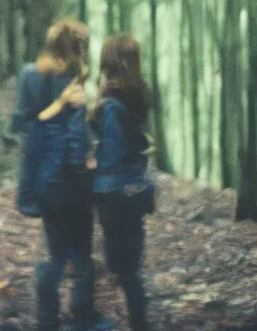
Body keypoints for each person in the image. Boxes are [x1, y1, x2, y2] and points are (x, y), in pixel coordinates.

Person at [12, 18, 113, 331]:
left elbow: (72, 131)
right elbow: (27, 124)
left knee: (73, 252)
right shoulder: (39, 76)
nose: (82, 53)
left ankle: (71, 317)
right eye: (79, 46)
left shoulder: (69, 77)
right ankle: (57, 320)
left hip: (65, 179)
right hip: (57, 180)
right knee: (65, 254)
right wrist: (62, 104)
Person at [90, 34, 154, 331]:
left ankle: (138, 323)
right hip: (135, 189)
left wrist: (91, 161)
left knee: (123, 268)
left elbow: (112, 154)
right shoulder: (137, 96)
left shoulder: (113, 105)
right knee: (129, 267)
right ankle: (138, 320)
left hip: (115, 193)